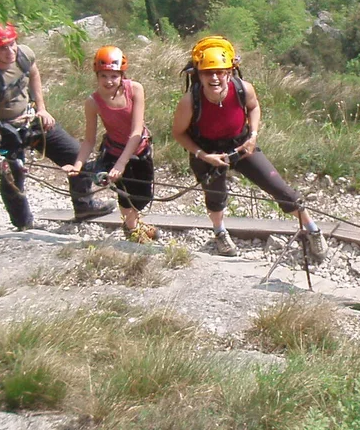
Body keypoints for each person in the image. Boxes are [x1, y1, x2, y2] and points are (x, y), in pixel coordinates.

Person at [170, 35, 325, 262]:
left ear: (230, 72)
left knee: (282, 190)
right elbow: (179, 132)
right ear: (198, 74)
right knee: (215, 197)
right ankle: (219, 232)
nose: (214, 77)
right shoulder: (189, 102)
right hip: (208, 152)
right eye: (207, 73)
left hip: (241, 146)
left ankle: (312, 229)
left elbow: (253, 107)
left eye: (220, 72)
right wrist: (203, 156)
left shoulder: (243, 89)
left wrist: (252, 136)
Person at [0, 21, 113, 231]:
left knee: (77, 155)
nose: (10, 51)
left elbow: (34, 74)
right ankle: (23, 225)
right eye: (2, 47)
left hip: (32, 120)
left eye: (12, 44)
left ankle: (84, 206)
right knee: (12, 177)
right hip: (4, 130)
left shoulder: (24, 55)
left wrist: (42, 108)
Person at [78, 44, 157, 244]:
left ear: (122, 75)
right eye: (103, 76)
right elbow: (89, 139)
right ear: (97, 76)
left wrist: (121, 164)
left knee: (144, 195)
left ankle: (134, 222)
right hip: (114, 150)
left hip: (139, 149)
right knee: (125, 194)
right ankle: (132, 230)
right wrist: (78, 164)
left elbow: (136, 131)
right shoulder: (93, 102)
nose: (108, 81)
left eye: (113, 76)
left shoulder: (135, 89)